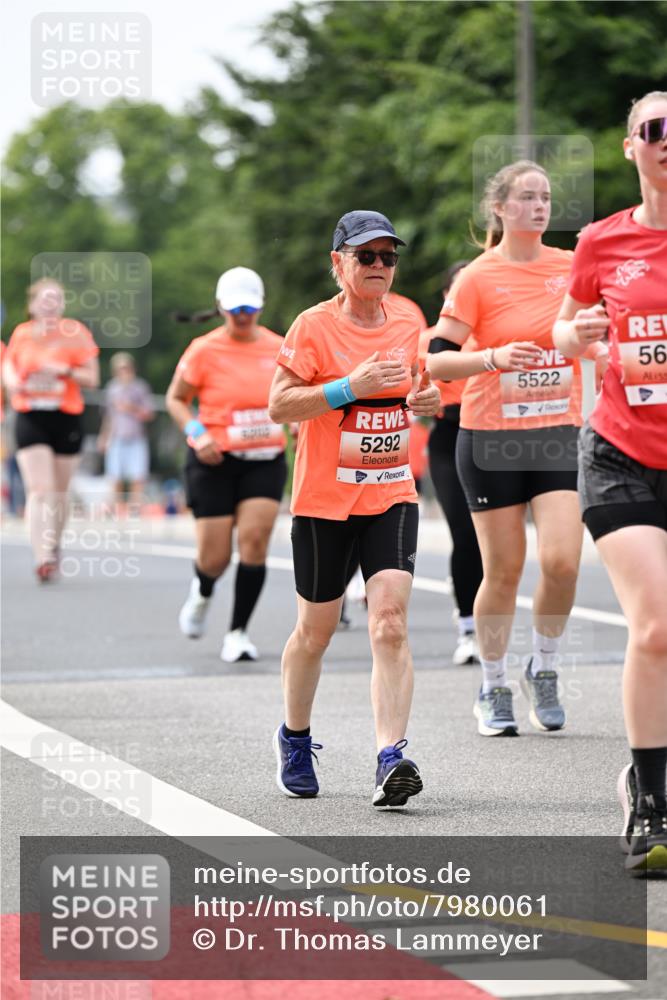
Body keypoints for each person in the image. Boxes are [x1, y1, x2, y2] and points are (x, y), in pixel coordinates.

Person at [268, 210, 440, 806]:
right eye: (365, 256)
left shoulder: (411, 318)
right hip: (323, 500)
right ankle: (294, 736)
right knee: (314, 633)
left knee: (389, 621)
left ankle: (391, 756)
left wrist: (427, 397)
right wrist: (350, 386)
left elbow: (419, 387)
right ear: (337, 262)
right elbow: (280, 406)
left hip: (390, 490)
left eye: (388, 257)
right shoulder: (312, 326)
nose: (378, 267)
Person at [427, 160, 598, 737]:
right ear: (499, 207)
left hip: (556, 434)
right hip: (490, 440)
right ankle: (493, 683)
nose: (540, 206)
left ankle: (543, 667)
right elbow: (436, 358)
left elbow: (599, 329)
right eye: (527, 197)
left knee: (562, 562)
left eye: (545, 196)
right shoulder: (476, 277)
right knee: (502, 571)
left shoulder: (572, 268)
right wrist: (492, 358)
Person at [553, 91, 667, 872]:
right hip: (621, 455)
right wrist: (578, 333)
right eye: (657, 130)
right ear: (631, 146)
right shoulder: (601, 242)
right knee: (656, 627)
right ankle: (652, 798)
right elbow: (562, 327)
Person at [166, 267, 288, 663]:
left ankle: (238, 632)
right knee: (215, 559)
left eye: (249, 308)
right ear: (220, 307)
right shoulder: (203, 349)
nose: (242, 316)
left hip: (264, 460)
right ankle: (202, 591)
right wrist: (197, 434)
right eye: (234, 309)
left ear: (261, 306)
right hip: (213, 460)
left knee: (254, 543)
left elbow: (297, 394)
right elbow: (176, 400)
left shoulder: (279, 346)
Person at [3, 278, 99, 581]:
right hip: (30, 414)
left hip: (65, 417)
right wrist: (15, 383)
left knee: (59, 492)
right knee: (39, 489)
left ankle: (54, 542)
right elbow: (8, 366)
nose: (49, 304)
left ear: (62, 304)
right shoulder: (22, 334)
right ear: (31, 305)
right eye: (43, 299)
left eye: (55, 298)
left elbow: (92, 378)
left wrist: (65, 371)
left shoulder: (76, 333)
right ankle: (41, 555)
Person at [420, 261, 484, 665]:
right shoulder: (430, 340)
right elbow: (410, 386)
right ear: (447, 298)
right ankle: (467, 629)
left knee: (487, 541)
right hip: (447, 435)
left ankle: (485, 619)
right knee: (464, 531)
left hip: (492, 437)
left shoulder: (493, 335)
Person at [97, 352, 154, 508]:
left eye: (126, 368)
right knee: (115, 475)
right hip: (117, 437)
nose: (124, 372)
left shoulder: (140, 387)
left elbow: (149, 414)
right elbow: (108, 417)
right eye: (120, 369)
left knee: (138, 475)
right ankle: (118, 508)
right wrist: (103, 437)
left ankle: (135, 507)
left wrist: (131, 408)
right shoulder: (111, 389)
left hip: (136, 437)